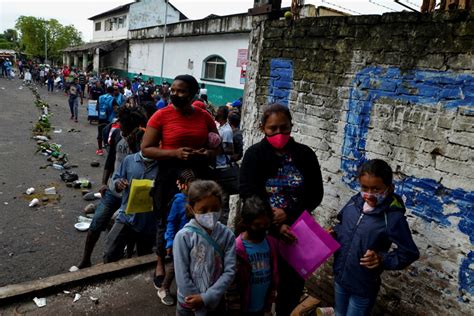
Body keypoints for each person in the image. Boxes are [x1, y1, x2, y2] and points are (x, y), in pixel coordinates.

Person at [239, 103, 324, 316]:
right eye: (273, 128)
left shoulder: (305, 155)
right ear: (262, 128)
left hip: (298, 233)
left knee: (291, 288)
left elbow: (316, 193)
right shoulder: (254, 155)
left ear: (291, 126)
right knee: (257, 286)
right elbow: (247, 192)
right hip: (261, 232)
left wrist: (289, 214)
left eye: (284, 128)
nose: (279, 133)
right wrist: (271, 219)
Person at [141, 74, 219, 293]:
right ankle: (160, 262)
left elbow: (217, 147)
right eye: (173, 90)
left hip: (198, 174)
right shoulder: (161, 116)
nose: (175, 94)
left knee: (195, 218)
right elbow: (146, 148)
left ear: (193, 93)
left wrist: (207, 152)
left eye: (181, 91)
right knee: (166, 220)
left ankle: (191, 261)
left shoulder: (204, 117)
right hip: (169, 175)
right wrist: (175, 152)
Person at [332, 159, 420, 316]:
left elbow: (409, 252)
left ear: (389, 188)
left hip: (363, 286)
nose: (369, 194)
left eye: (376, 189)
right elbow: (342, 224)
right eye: (364, 187)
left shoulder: (393, 218)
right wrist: (333, 233)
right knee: (339, 313)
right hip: (340, 277)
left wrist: (382, 259)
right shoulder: (354, 203)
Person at [75, 107, 147, 269]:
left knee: (129, 229)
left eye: (123, 124)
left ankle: (126, 258)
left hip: (132, 194)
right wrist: (103, 182)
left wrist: (134, 143)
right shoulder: (116, 135)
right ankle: (86, 259)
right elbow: (110, 160)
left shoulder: (142, 138)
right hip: (113, 190)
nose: (119, 126)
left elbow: (144, 161)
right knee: (96, 224)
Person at [173, 180, 236, 316]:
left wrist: (206, 298)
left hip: (216, 303)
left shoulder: (227, 235)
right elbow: (182, 275)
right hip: (188, 305)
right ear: (191, 209)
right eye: (203, 210)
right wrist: (195, 300)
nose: (210, 214)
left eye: (215, 209)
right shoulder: (184, 237)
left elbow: (229, 271)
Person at [227, 195, 279, 316]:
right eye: (257, 225)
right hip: (242, 309)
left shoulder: (271, 244)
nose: (262, 229)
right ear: (246, 223)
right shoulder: (237, 249)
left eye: (266, 225)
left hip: (262, 306)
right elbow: (231, 287)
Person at [103, 151, 158, 263]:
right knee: (110, 253)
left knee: (144, 257)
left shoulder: (161, 165)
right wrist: (119, 184)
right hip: (126, 216)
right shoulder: (129, 160)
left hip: (149, 220)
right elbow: (116, 179)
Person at [160, 169, 196, 306]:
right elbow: (171, 222)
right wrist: (169, 242)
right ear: (181, 185)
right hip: (179, 241)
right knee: (175, 267)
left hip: (193, 241)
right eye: (189, 184)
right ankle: (164, 288)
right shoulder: (178, 201)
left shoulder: (196, 199)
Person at [214, 106, 234, 225]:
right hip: (216, 166)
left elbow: (230, 149)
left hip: (222, 167)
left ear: (222, 115)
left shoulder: (227, 131)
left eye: (218, 113)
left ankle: (222, 222)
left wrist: (217, 149)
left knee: (222, 197)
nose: (216, 114)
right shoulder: (219, 127)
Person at [96, 86, 116, 156]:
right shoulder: (113, 99)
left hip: (101, 119)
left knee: (100, 134)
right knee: (108, 134)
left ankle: (100, 150)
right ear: (113, 92)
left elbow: (97, 108)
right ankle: (109, 149)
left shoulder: (100, 97)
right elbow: (116, 110)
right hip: (109, 120)